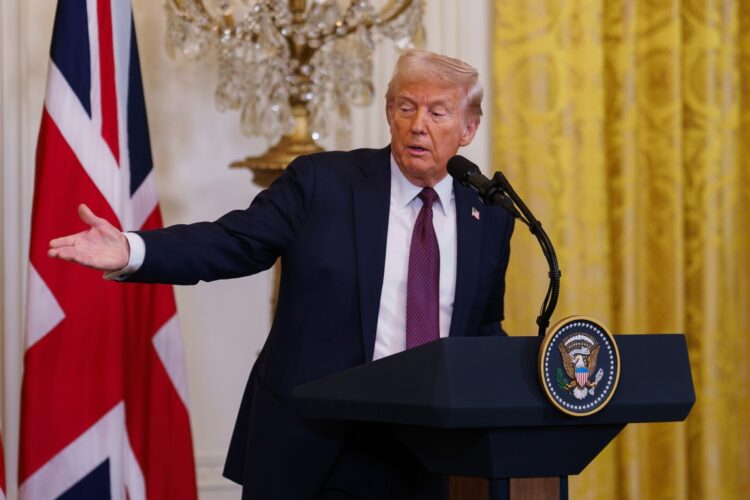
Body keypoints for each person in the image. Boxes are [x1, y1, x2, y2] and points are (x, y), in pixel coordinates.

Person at [49, 50, 515, 499]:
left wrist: (533, 379)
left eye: (438, 112)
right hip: (322, 447)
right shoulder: (322, 183)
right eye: (407, 107)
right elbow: (233, 241)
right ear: (389, 112)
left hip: (436, 457)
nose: (418, 125)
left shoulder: (490, 216)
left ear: (469, 129)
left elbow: (482, 328)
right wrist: (134, 248)